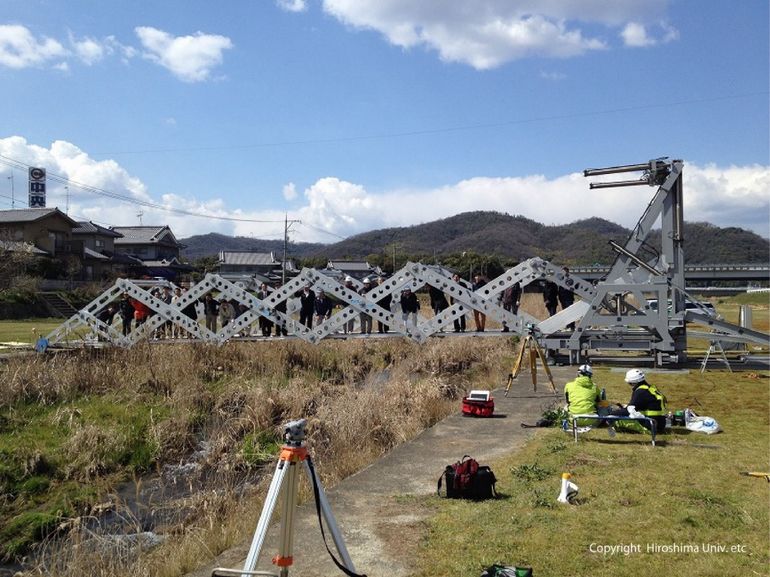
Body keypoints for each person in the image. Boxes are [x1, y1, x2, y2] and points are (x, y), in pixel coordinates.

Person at [610, 369, 668, 434]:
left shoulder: (640, 392)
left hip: (650, 426)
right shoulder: (651, 388)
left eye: (629, 383)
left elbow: (628, 411)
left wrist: (611, 413)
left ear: (633, 382)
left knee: (616, 421)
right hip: (660, 424)